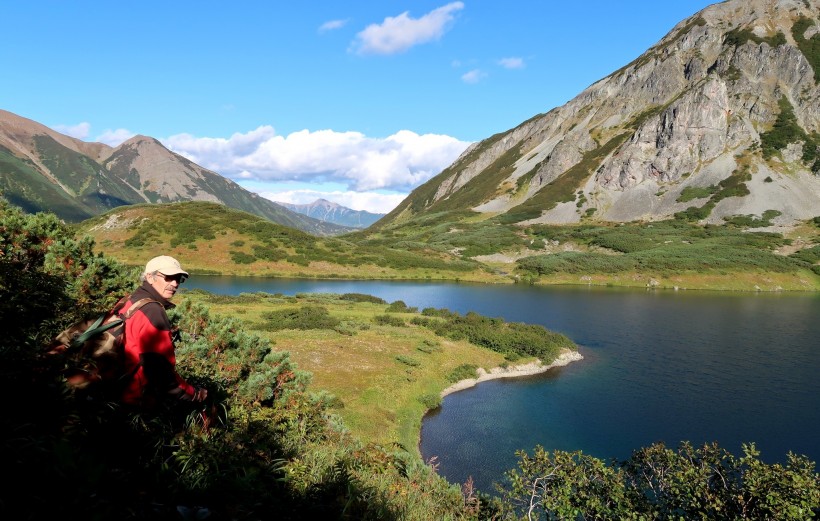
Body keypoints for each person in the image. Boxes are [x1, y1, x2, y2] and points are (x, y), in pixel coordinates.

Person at [120, 255, 208, 410]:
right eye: (168, 277)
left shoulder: (131, 300)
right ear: (149, 277)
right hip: (134, 401)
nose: (174, 284)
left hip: (112, 388)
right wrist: (193, 394)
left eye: (178, 278)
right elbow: (160, 372)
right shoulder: (152, 311)